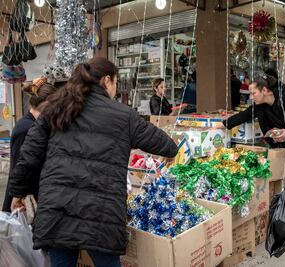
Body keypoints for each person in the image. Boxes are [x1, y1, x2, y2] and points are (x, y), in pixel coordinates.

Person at [8, 57, 178, 267]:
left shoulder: (55, 109)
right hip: (101, 213)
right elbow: (164, 144)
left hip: (57, 208)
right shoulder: (123, 115)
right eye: (115, 82)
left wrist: (17, 192)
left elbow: (29, 155)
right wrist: (171, 151)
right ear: (107, 80)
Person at [216, 72, 285, 165]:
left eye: (253, 93)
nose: (250, 97)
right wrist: (221, 125)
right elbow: (245, 114)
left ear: (264, 90)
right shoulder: (261, 105)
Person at [1, 77, 58, 212]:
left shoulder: (31, 124)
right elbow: (19, 166)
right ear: (47, 105)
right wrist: (17, 195)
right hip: (24, 198)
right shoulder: (27, 128)